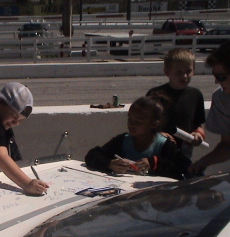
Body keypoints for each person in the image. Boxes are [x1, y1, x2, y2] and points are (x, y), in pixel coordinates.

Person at [85, 96, 191, 180]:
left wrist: (154, 163)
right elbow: (92, 155)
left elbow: (184, 167)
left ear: (154, 124)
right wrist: (109, 164)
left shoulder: (164, 145)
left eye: (138, 122)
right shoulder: (123, 140)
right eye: (130, 119)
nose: (131, 124)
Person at [0, 82, 49, 195]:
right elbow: (1, 158)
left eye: (20, 120)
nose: (15, 123)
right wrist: (27, 183)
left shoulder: (2, 124)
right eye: (14, 116)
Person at [146, 48, 206, 160]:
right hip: (157, 151)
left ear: (194, 70)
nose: (184, 76)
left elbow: (198, 124)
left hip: (183, 154)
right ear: (167, 72)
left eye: (188, 71)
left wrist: (198, 134)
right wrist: (158, 135)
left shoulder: (196, 95)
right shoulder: (154, 94)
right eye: (179, 72)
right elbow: (145, 123)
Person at [190, 41, 230, 175]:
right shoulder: (221, 98)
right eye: (215, 76)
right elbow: (227, 145)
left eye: (222, 77)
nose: (217, 81)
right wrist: (203, 162)